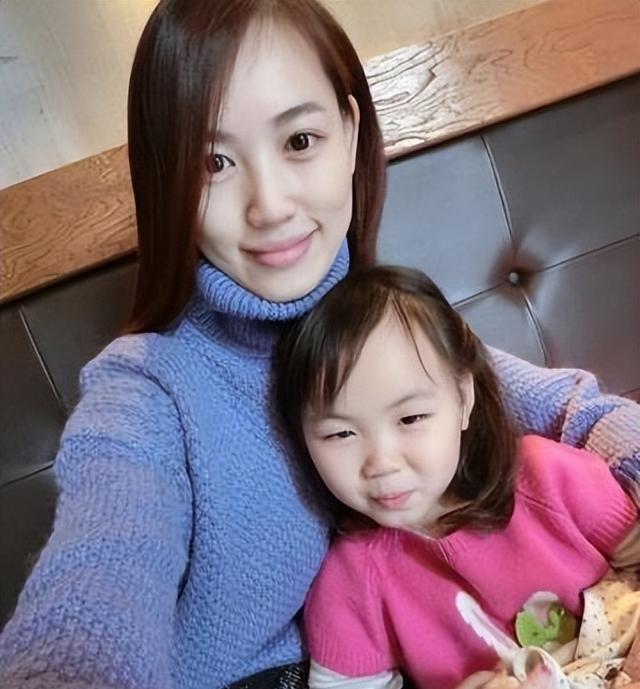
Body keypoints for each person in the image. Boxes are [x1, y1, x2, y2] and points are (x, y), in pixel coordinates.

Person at [0, 1, 638, 688]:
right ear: (167, 178)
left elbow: (577, 409)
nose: (270, 205)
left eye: (300, 140)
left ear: (351, 133)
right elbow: (98, 572)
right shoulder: (143, 390)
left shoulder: (384, 322)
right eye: (213, 162)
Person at [276, 265, 640, 689]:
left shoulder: (549, 477)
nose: (382, 463)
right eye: (340, 434)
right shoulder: (351, 583)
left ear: (464, 399)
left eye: (411, 418)